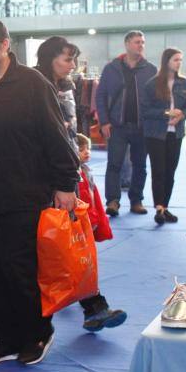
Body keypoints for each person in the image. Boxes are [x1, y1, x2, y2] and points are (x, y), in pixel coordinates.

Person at [0, 19, 79, 366]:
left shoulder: (32, 84)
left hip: (22, 197)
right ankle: (4, 338)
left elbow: (56, 136)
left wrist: (66, 183)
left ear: (5, 45)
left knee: (18, 271)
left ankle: (37, 333)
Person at [36, 37, 127, 331]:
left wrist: (76, 167)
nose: (72, 65)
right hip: (44, 182)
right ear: (50, 58)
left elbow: (69, 135)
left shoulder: (66, 87)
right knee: (53, 248)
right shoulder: (35, 87)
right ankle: (47, 316)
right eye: (67, 59)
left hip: (68, 177)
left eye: (73, 59)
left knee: (76, 244)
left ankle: (93, 305)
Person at [96, 30, 157, 217]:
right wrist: (104, 121)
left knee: (140, 166)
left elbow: (157, 98)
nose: (141, 45)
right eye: (137, 42)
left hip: (142, 127)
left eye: (143, 42)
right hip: (117, 126)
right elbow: (101, 96)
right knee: (114, 164)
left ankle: (136, 201)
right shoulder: (111, 68)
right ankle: (113, 201)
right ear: (127, 44)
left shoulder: (151, 69)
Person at [75, 134, 128, 331]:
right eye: (81, 149)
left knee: (80, 267)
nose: (86, 152)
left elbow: (92, 198)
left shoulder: (83, 171)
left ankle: (94, 310)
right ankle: (94, 309)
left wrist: (96, 222)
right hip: (65, 223)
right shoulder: (75, 172)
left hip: (78, 224)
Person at [140, 48, 186, 225]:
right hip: (155, 134)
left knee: (170, 172)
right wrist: (166, 113)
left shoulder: (184, 83)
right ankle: (159, 209)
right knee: (159, 171)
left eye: (180, 59)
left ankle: (165, 206)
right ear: (166, 62)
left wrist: (181, 114)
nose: (179, 63)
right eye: (175, 60)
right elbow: (145, 110)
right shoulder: (152, 84)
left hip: (176, 134)